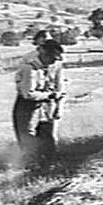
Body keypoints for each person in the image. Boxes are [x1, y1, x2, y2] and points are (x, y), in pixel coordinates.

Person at [12, 39, 65, 167]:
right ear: (43, 53)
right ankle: (29, 167)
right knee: (28, 139)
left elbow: (61, 87)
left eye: (55, 59)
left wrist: (59, 107)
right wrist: (50, 95)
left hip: (48, 104)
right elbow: (28, 94)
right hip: (27, 106)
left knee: (49, 137)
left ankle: (49, 165)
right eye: (50, 58)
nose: (53, 61)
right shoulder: (29, 67)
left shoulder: (56, 64)